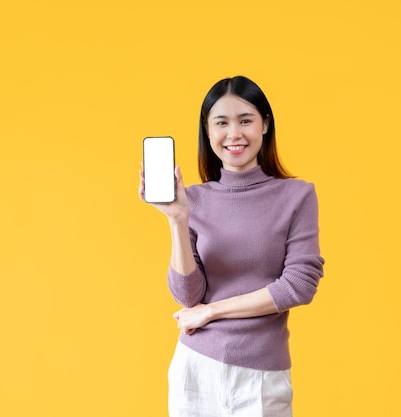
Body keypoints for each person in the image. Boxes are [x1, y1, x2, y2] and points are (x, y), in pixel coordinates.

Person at [138, 75, 324, 417]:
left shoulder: (296, 196)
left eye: (246, 120)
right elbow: (188, 296)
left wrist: (212, 311)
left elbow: (299, 285)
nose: (234, 134)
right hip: (194, 368)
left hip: (261, 376)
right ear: (207, 132)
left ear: (265, 125)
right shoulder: (193, 200)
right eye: (221, 123)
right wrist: (178, 220)